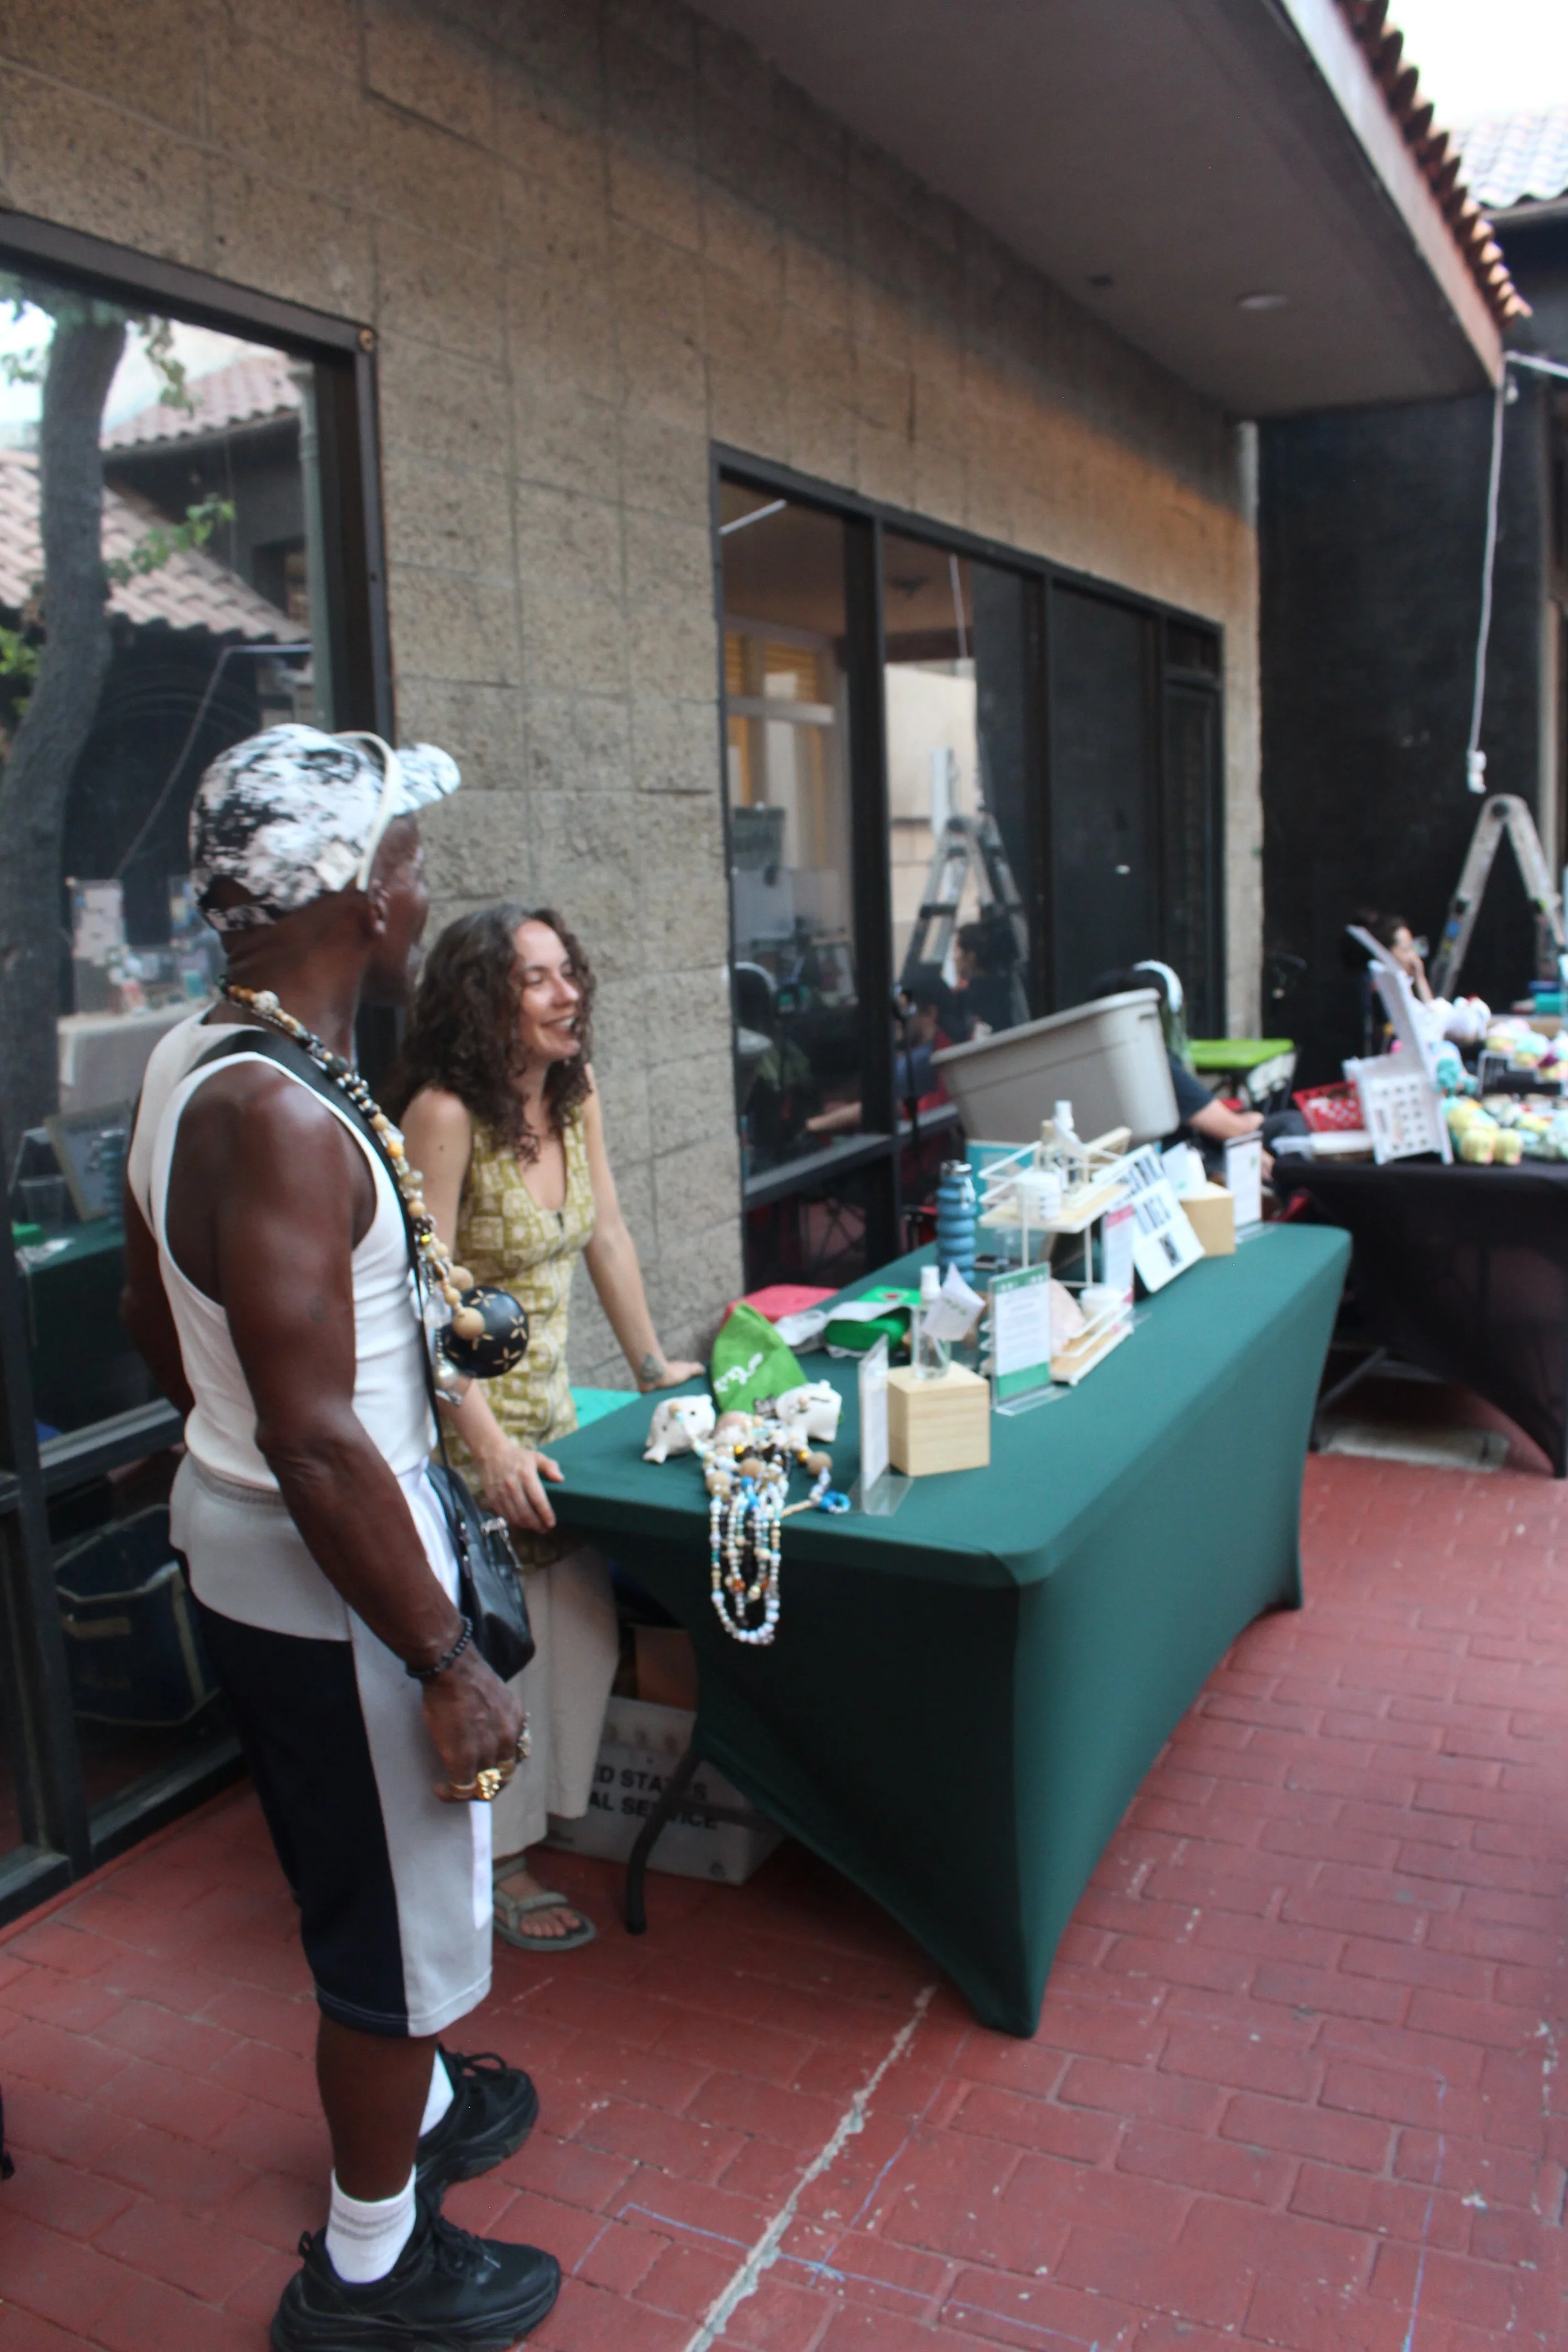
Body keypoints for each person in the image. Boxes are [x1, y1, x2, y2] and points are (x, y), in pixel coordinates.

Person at [121, 727, 560, 2350]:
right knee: (393, 1932)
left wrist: (233, 1437)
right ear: (345, 898)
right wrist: (444, 1655)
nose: (417, 879)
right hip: (345, 1584)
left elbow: (153, 1322)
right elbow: (314, 1431)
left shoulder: (202, 1056)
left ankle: (424, 2101)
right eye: (397, 855)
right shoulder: (290, 1118)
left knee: (354, 1876)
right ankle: (367, 2262)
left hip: (268, 1544)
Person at [393, 906, 702, 1952]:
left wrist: (657, 1363)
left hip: (557, 1430)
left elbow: (606, 1230)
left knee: (577, 1639)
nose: (571, 992)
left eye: (571, 969)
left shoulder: (572, 1097)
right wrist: (484, 1445)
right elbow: (419, 1305)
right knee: (502, 1653)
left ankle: (526, 1827)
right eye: (539, 979)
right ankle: (499, 1861)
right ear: (485, 1000)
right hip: (467, 1437)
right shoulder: (442, 1114)